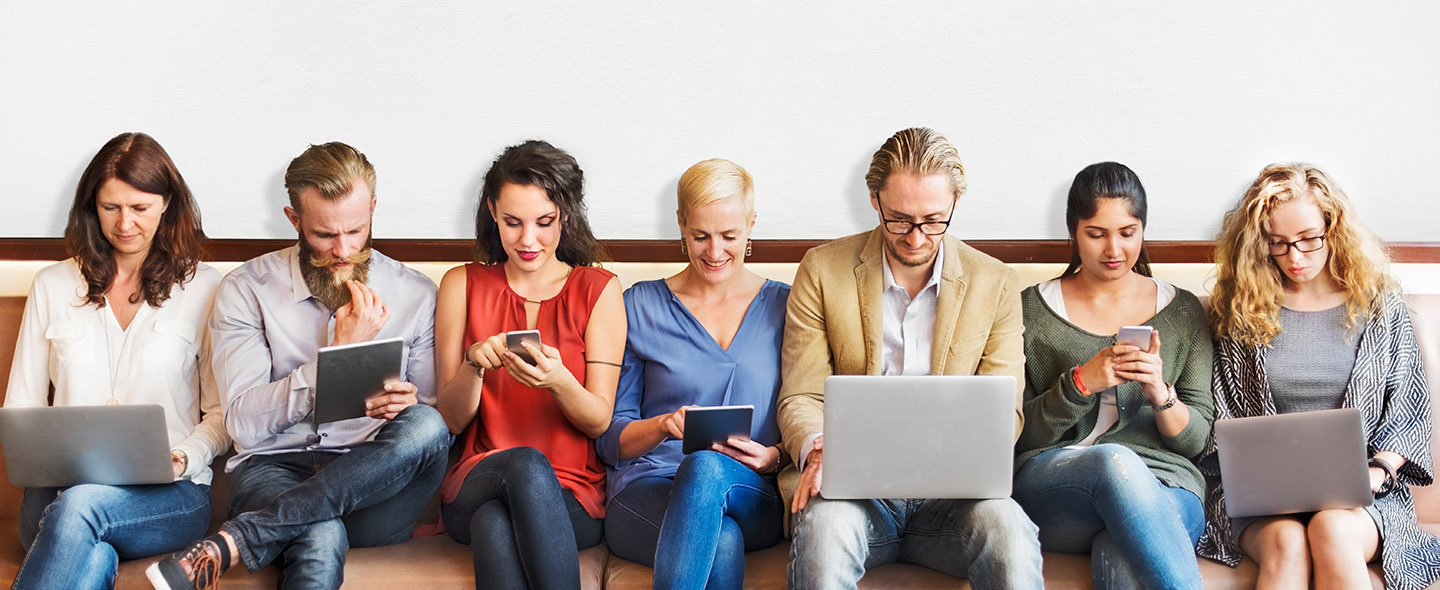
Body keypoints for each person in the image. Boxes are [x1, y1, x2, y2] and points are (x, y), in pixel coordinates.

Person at [146, 142, 449, 590]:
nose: (344, 250)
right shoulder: (246, 290)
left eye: (357, 230)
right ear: (294, 220)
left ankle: (240, 539)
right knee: (318, 529)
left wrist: (406, 404)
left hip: (374, 491)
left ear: (373, 209)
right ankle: (274, 525)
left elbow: (425, 422)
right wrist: (334, 359)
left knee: (427, 424)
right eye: (324, 235)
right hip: (274, 472)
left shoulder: (417, 294)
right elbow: (244, 427)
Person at [778, 127, 1043, 589]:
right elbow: (800, 395)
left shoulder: (996, 282)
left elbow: (1007, 413)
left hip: (953, 499)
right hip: (853, 494)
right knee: (823, 532)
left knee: (1010, 529)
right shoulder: (822, 270)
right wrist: (822, 449)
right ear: (874, 199)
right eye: (898, 219)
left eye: (934, 220)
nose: (917, 238)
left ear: (955, 203)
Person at [1196, 162, 1440, 590]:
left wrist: (1376, 472)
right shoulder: (1241, 313)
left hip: (1365, 496)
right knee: (1288, 541)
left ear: (1333, 227)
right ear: (1259, 244)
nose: (1295, 257)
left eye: (1309, 240)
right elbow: (1224, 421)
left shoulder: (1379, 305)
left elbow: (1409, 415)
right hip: (1264, 501)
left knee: (1332, 529)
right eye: (1279, 244)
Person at [4, 132, 229, 590]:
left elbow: (222, 414)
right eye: (111, 208)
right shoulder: (52, 286)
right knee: (87, 537)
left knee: (82, 511)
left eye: (140, 208)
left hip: (169, 499)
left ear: (167, 204)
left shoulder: (206, 288)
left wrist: (184, 458)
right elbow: (21, 406)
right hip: (55, 499)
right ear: (93, 207)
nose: (124, 223)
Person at [1011, 162, 1214, 589]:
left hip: (1167, 486)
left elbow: (1195, 442)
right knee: (1114, 460)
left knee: (1120, 552)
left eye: (1127, 232)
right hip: (1056, 485)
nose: (1114, 250)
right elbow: (1017, 435)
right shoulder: (1030, 309)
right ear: (1073, 232)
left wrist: (1160, 393)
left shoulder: (1183, 312)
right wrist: (1081, 383)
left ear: (1143, 230)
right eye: (1096, 233)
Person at [433, 139, 625, 590]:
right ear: (492, 213)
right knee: (521, 466)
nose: (528, 240)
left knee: (495, 524)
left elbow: (598, 420)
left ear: (566, 216)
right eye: (512, 222)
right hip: (476, 478)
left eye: (544, 222)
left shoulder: (599, 290)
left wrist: (559, 382)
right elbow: (449, 419)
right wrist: (473, 367)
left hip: (572, 496)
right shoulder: (461, 284)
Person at [596, 159, 789, 589]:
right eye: (700, 236)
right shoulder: (640, 305)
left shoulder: (787, 308)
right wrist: (664, 425)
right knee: (719, 542)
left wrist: (775, 455)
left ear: (752, 225)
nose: (715, 252)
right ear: (681, 224)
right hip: (648, 491)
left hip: (749, 490)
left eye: (729, 236)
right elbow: (611, 439)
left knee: (705, 467)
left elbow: (809, 412)